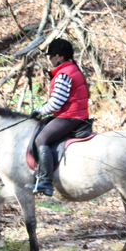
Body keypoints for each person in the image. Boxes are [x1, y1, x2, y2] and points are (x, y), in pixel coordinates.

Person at [28, 38, 89, 196]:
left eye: (51, 56)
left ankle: (45, 181)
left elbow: (55, 103)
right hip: (72, 113)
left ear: (60, 56)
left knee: (41, 140)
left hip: (70, 116)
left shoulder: (64, 74)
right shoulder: (71, 69)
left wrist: (39, 111)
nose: (50, 59)